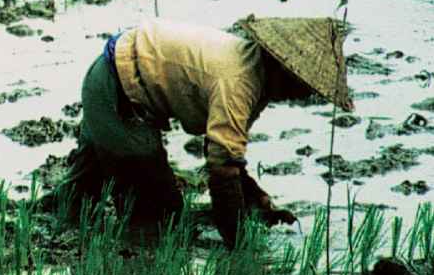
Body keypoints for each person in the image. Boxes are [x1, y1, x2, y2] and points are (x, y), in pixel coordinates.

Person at [58, 15, 351, 248]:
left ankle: (59, 229)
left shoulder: (250, 70)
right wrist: (237, 243)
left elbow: (223, 150)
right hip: (117, 93)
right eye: (303, 86)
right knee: (160, 219)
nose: (302, 96)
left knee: (77, 197)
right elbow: (221, 170)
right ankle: (129, 274)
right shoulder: (238, 83)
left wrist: (258, 201)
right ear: (285, 71)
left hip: (113, 74)